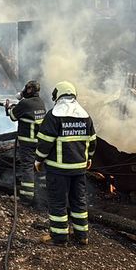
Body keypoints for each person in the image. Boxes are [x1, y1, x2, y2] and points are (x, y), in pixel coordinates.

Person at [34, 81, 97, 246]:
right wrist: (89, 158)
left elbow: (45, 142)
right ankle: (82, 235)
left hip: (58, 170)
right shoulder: (85, 116)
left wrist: (39, 160)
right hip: (79, 169)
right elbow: (92, 141)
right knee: (79, 201)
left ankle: (59, 237)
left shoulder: (54, 115)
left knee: (58, 202)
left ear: (57, 95)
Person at [4, 80, 47, 205]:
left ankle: (27, 196)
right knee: (39, 165)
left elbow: (13, 117)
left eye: (26, 88)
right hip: (39, 141)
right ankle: (43, 190)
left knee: (27, 167)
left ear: (29, 90)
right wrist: (16, 107)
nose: (24, 91)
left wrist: (10, 108)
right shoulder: (40, 102)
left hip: (28, 142)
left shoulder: (25, 103)